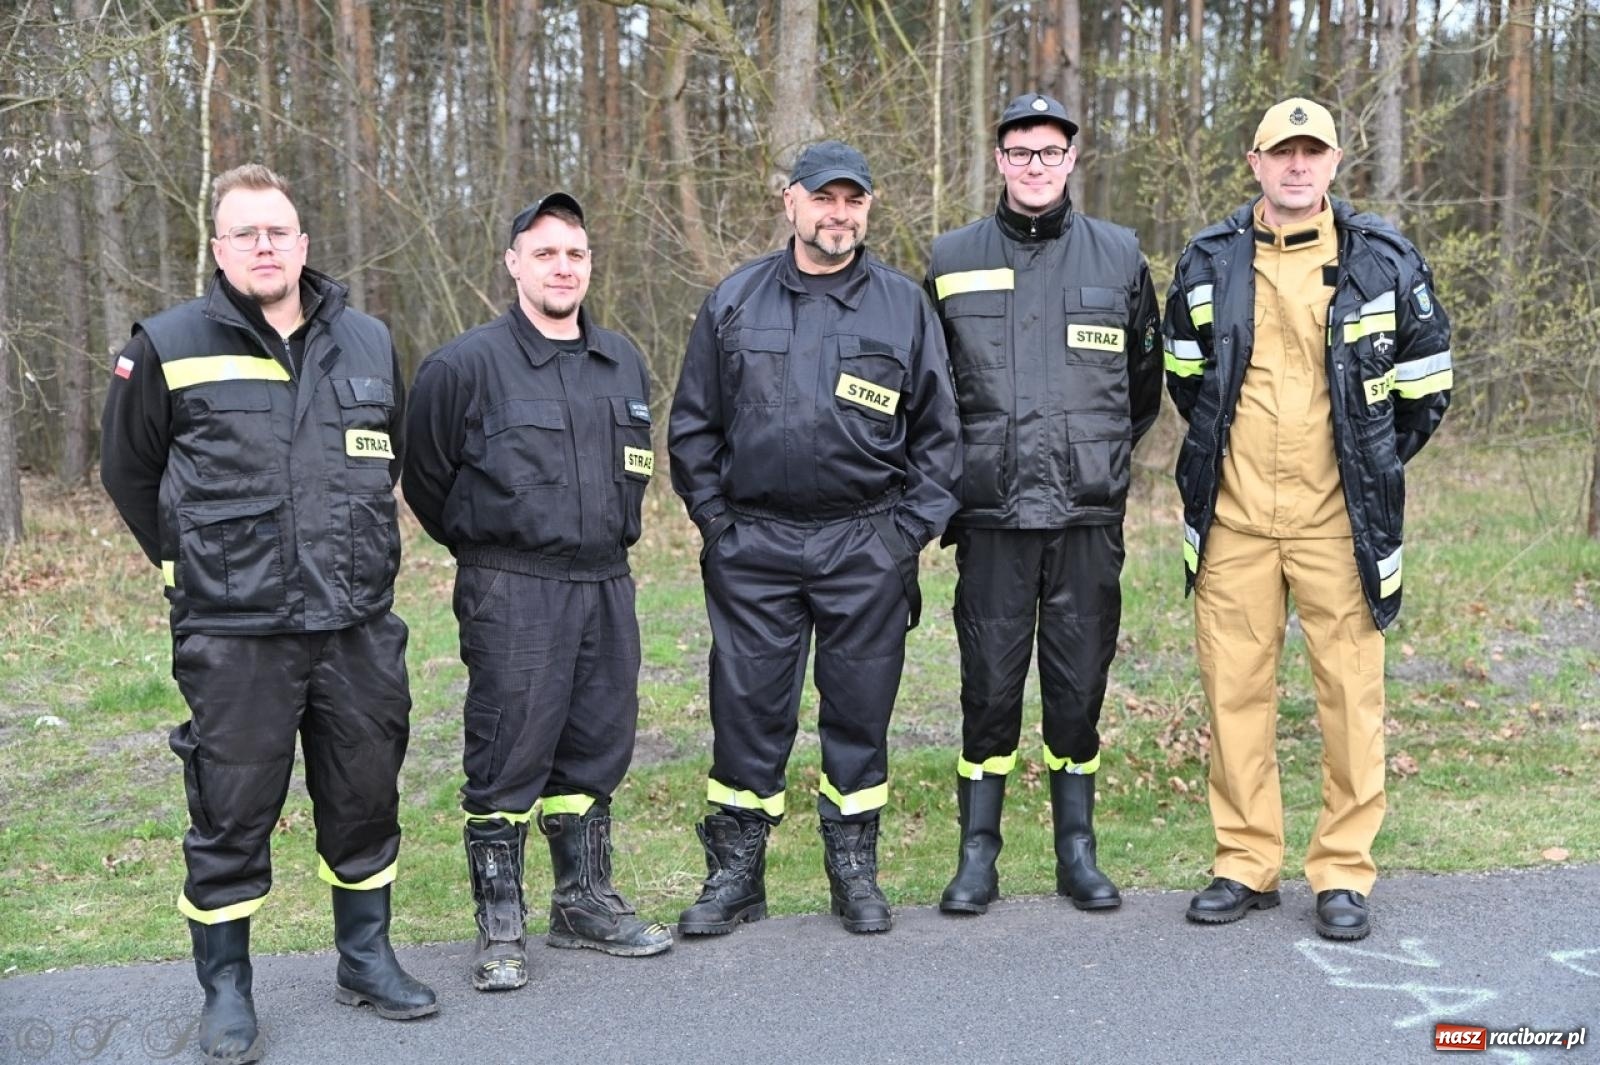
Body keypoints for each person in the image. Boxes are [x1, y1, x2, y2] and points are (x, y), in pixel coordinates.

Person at [100, 164, 436, 1063]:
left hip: (357, 625)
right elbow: (129, 473)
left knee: (365, 795)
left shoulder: (367, 339)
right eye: (244, 232)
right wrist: (189, 565)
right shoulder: (168, 342)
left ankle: (365, 959)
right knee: (231, 810)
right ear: (218, 248)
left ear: (303, 244)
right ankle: (227, 990)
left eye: (277, 230)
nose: (263, 245)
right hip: (234, 631)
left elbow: (383, 458)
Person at [1164, 98, 1452, 940]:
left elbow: (1425, 388)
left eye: (1311, 153)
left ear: (1334, 164)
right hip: (1236, 519)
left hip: (1340, 523)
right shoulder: (1210, 259)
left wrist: (1368, 467)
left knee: (1350, 696)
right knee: (1234, 693)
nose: (1296, 166)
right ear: (1253, 162)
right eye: (1280, 153)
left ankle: (1343, 871)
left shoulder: (1384, 259)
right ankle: (1246, 862)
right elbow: (1187, 381)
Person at [669, 140, 961, 936]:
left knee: (859, 713)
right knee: (746, 714)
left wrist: (905, 534)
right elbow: (693, 427)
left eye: (854, 201)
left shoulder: (902, 305)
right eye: (824, 199)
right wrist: (719, 525)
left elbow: (941, 436)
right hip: (755, 547)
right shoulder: (735, 300)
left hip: (864, 545)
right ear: (789, 201)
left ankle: (853, 870)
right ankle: (735, 874)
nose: (840, 215)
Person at [403, 193, 671, 992]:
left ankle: (583, 901)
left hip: (605, 582)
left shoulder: (621, 361)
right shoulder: (465, 365)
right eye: (546, 252)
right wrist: (484, 548)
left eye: (577, 253)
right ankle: (499, 923)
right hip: (513, 583)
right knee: (508, 748)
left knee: (596, 745)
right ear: (515, 263)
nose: (563, 266)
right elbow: (426, 478)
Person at [924, 93, 1162, 915]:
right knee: (988, 692)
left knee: (1078, 687)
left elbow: (1142, 389)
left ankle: (1076, 851)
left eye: (1049, 152)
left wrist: (1088, 458)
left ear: (1070, 161)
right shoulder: (950, 257)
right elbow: (932, 392)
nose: (1035, 166)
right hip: (990, 517)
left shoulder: (1119, 256)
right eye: (1020, 152)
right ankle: (977, 857)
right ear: (999, 160)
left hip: (1085, 516)